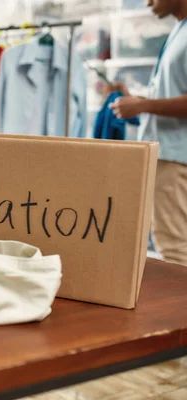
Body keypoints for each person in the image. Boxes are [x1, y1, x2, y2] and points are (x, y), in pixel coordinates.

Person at [109, 0, 187, 265]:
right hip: (169, 154)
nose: (147, 2)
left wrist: (145, 104)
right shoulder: (178, 31)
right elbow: (170, 94)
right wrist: (135, 101)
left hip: (176, 159)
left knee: (174, 251)